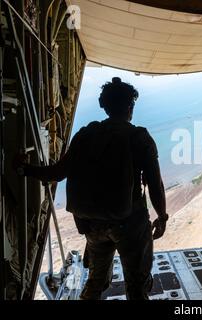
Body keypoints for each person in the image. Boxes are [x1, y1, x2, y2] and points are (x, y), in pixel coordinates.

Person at [15, 77, 168, 300]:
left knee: (96, 281)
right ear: (130, 107)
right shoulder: (139, 137)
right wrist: (162, 216)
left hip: (91, 224)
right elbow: (155, 184)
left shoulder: (85, 135)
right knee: (137, 284)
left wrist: (25, 169)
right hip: (130, 223)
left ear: (104, 106)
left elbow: (57, 173)